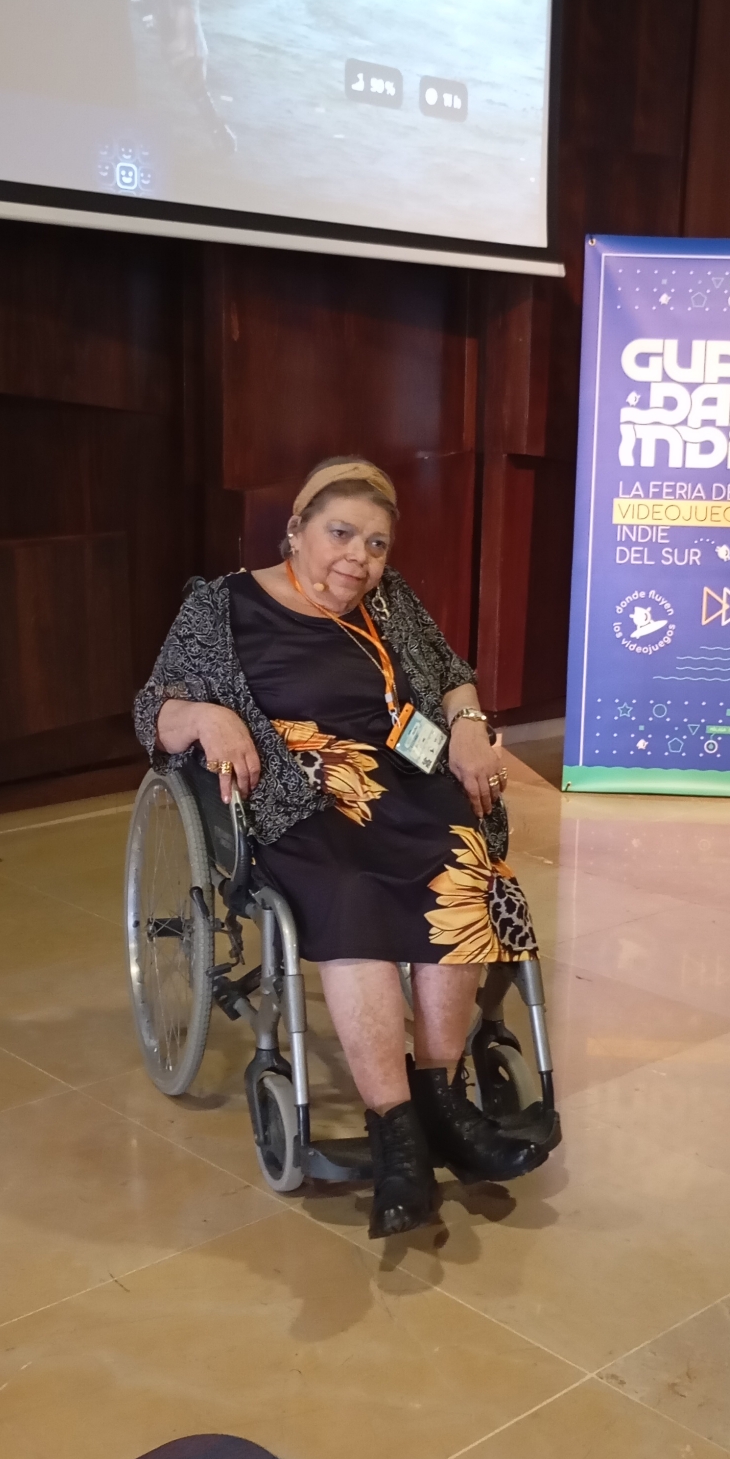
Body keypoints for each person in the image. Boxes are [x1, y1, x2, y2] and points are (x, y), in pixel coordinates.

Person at [134, 457, 554, 1239]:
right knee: (350, 893)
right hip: (295, 794)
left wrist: (466, 725)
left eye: (376, 544)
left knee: (460, 868)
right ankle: (395, 1135)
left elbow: (451, 675)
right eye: (340, 534)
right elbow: (153, 709)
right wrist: (205, 717)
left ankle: (441, 1099)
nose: (358, 557)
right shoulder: (220, 604)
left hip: (405, 782)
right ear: (295, 531)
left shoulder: (389, 601)